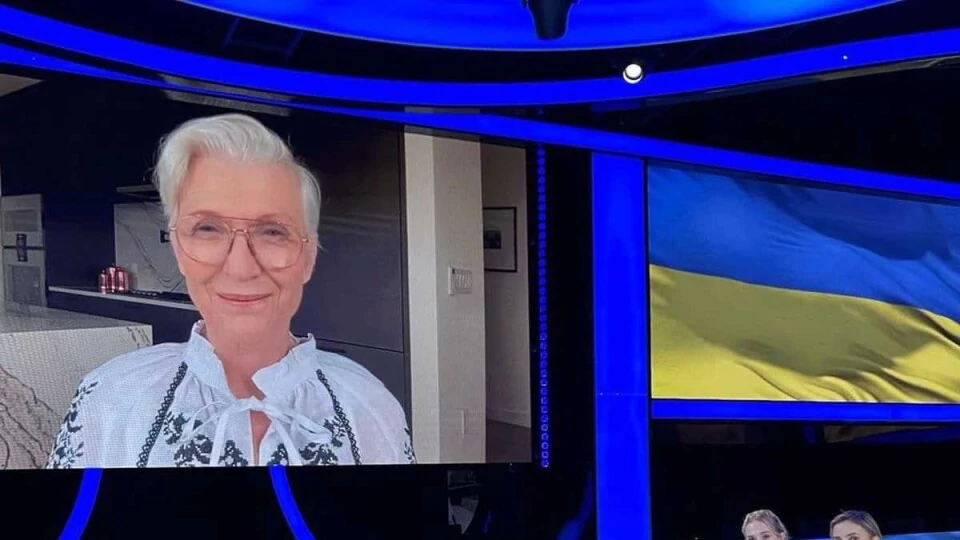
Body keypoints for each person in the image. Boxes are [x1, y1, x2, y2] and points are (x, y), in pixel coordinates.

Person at [45, 113, 415, 468]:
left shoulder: (369, 406)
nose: (241, 267)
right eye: (207, 228)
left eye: (273, 232)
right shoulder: (110, 399)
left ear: (308, 257)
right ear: (179, 251)